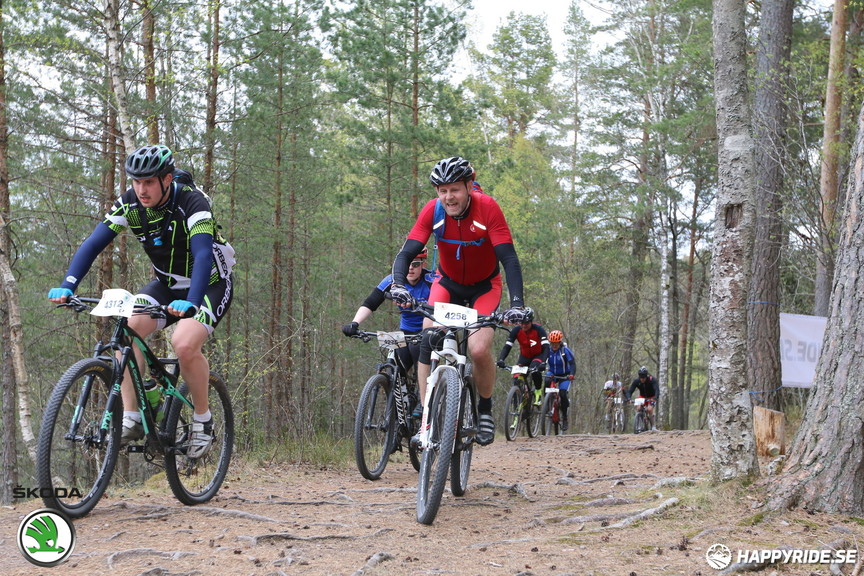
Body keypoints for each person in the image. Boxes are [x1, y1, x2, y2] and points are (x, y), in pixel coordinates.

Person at [48, 144, 236, 458]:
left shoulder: (192, 202)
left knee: (184, 343)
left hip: (210, 285)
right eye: (136, 181)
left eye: (148, 182)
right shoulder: (130, 203)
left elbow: (203, 255)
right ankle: (133, 416)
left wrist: (191, 302)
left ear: (166, 179)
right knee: (128, 330)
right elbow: (94, 243)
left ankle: (203, 420)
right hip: (167, 284)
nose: (141, 189)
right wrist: (68, 285)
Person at [389, 156, 527, 446]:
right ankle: (427, 418)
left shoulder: (487, 207)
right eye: (442, 190)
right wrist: (399, 285)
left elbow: (509, 260)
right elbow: (406, 253)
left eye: (454, 189)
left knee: (477, 350)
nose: (448, 197)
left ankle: (485, 410)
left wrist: (516, 304)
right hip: (447, 284)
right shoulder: (433, 210)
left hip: (484, 287)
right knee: (428, 338)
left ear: (468, 186)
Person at [342, 247, 433, 395]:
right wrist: (354, 323)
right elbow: (370, 303)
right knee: (394, 364)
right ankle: (397, 405)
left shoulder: (432, 281)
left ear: (423, 264)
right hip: (405, 331)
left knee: (418, 350)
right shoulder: (392, 280)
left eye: (415, 264)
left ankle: (423, 397)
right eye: (407, 263)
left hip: (427, 331)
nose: (410, 268)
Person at [495, 308, 549, 406]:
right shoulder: (516, 330)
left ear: (531, 322)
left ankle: (538, 392)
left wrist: (543, 362)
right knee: (516, 378)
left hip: (538, 355)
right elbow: (507, 346)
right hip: (524, 357)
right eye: (522, 323)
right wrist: (501, 359)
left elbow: (546, 347)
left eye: (526, 323)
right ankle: (519, 402)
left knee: (535, 370)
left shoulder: (539, 329)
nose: (524, 325)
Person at [544, 330, 575, 431]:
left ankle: (565, 417)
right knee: (546, 381)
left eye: (556, 343)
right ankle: (547, 404)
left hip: (565, 375)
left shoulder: (565, 351)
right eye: (552, 343)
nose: (554, 345)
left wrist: (571, 375)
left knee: (562, 393)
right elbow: (542, 360)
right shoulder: (548, 350)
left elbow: (573, 364)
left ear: (559, 342)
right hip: (552, 373)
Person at [626, 366, 659, 430]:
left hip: (651, 397)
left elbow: (657, 390)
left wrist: (655, 397)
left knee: (649, 409)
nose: (642, 379)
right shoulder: (636, 381)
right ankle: (640, 421)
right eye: (641, 377)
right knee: (638, 408)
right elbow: (630, 391)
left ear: (646, 376)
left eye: (643, 377)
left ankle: (653, 426)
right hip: (642, 397)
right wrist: (628, 398)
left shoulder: (652, 380)